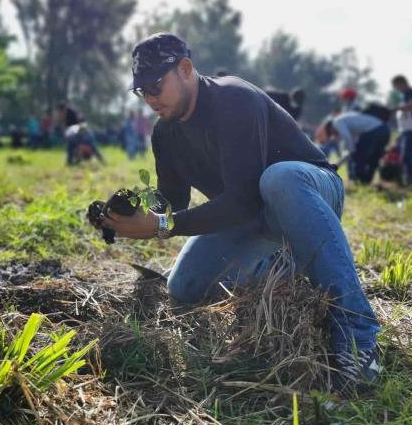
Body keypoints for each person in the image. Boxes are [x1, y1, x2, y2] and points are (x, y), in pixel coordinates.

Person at [98, 32, 381, 394]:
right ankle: (282, 269)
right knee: (183, 287)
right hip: (248, 219)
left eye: (155, 85)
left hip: (306, 194)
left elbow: (243, 198)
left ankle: (358, 336)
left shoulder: (233, 99)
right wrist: (127, 211)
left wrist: (162, 226)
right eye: (142, 91)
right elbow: (172, 202)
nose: (150, 98)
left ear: (185, 69)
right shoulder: (165, 133)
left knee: (279, 178)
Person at [322, 104, 391, 184]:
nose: (335, 134)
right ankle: (366, 181)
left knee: (359, 155)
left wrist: (352, 150)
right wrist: (351, 150)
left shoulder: (337, 122)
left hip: (373, 131)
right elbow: (352, 142)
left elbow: (347, 138)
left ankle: (359, 180)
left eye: (332, 133)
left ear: (330, 127)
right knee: (374, 156)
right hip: (385, 130)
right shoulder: (348, 121)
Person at [391, 75, 412, 186]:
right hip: (406, 132)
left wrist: (396, 108)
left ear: (402, 83)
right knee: (404, 157)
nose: (396, 89)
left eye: (396, 86)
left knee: (407, 157)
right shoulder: (403, 96)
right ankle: (408, 180)